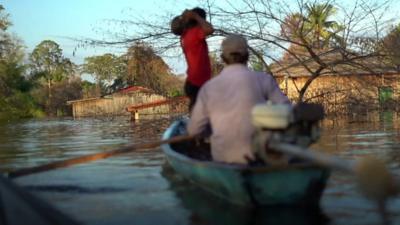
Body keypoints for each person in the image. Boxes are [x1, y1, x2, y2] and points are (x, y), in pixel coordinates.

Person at [187, 34, 291, 164]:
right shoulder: (264, 79)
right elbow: (288, 112)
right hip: (259, 157)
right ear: (247, 55)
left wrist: (210, 129)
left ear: (222, 58)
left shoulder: (208, 88)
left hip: (223, 159)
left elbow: (194, 131)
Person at [179, 7, 214, 111]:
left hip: (193, 81)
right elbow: (210, 29)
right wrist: (196, 16)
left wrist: (187, 17)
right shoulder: (195, 33)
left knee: (198, 115)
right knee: (200, 115)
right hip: (198, 82)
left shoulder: (185, 35)